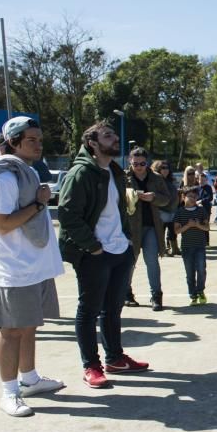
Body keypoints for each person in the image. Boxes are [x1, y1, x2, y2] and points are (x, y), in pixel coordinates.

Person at [0, 116, 65, 416]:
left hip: (33, 266)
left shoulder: (25, 172)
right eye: (31, 140)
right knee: (10, 331)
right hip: (15, 268)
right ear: (14, 142)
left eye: (40, 139)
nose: (38, 145)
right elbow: (1, 223)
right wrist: (38, 204)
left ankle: (30, 379)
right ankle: (9, 392)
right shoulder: (5, 177)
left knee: (28, 326)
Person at [58, 121, 149, 388]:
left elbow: (116, 211)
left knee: (113, 308)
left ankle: (115, 358)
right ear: (92, 143)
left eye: (113, 134)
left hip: (119, 249)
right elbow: (68, 215)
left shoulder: (114, 171)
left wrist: (125, 239)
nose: (114, 139)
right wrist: (93, 246)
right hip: (94, 252)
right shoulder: (81, 173)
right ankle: (91, 366)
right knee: (89, 310)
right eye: (107, 136)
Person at [125, 147, 170, 311]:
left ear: (147, 162)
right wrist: (130, 195)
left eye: (142, 163)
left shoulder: (156, 178)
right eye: (135, 163)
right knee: (129, 262)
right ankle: (126, 293)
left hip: (151, 226)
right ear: (130, 161)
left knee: (152, 262)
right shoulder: (124, 177)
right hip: (130, 227)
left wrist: (154, 198)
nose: (139, 166)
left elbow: (167, 200)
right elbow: (114, 199)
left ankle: (156, 296)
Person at [174, 188, 209, 306]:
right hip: (187, 247)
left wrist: (198, 225)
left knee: (201, 270)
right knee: (189, 272)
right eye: (190, 196)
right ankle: (192, 294)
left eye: (195, 197)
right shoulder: (179, 212)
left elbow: (207, 228)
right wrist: (188, 225)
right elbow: (177, 230)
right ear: (183, 197)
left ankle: (200, 291)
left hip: (200, 245)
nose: (193, 199)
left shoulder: (201, 210)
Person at [152, 160, 180, 257]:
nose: (165, 170)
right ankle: (162, 250)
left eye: (167, 168)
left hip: (172, 210)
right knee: (161, 232)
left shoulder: (170, 180)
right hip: (161, 210)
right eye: (163, 168)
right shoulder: (156, 180)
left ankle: (174, 248)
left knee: (173, 231)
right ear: (158, 169)